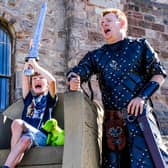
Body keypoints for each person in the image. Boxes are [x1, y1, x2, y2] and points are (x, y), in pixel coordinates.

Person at [66, 8, 168, 167]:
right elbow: (78, 71)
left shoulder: (140, 46)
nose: (103, 25)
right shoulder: (96, 56)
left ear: (121, 23)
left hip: (140, 118)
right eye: (101, 23)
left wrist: (142, 97)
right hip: (113, 126)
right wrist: (74, 79)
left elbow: (159, 74)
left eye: (108, 21)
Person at [2, 59, 57, 168]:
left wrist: (36, 66)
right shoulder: (28, 99)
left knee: (18, 122)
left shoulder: (49, 99)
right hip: (27, 136)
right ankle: (11, 164)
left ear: (46, 85)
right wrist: (29, 60)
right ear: (31, 85)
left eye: (41, 78)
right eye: (35, 79)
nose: (37, 80)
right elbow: (25, 76)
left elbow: (52, 82)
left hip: (41, 136)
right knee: (24, 139)